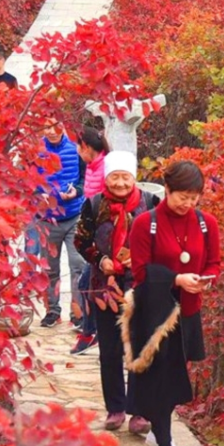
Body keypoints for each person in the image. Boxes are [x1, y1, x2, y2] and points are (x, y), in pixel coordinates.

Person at [123, 160, 222, 446]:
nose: (188, 204)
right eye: (182, 196)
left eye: (195, 198)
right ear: (166, 189)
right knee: (162, 380)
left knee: (177, 373)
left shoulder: (207, 223)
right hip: (155, 315)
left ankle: (157, 432)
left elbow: (214, 262)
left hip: (189, 311)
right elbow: (139, 273)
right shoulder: (145, 224)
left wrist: (205, 279)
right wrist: (176, 279)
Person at [76, 150, 159, 429]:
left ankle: (139, 411)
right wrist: (101, 260)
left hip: (140, 286)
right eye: (115, 177)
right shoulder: (94, 204)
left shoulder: (150, 203)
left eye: (125, 177)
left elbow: (165, 242)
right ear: (106, 178)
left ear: (133, 177)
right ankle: (115, 408)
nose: (120, 183)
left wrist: (142, 258)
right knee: (110, 349)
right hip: (105, 288)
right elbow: (81, 241)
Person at [25, 119, 86, 329]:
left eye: (55, 126)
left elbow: (84, 179)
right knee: (50, 268)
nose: (51, 131)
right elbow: (27, 180)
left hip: (74, 215)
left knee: (78, 265)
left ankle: (78, 312)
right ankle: (53, 309)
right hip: (47, 218)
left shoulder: (76, 149)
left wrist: (76, 191)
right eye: (46, 127)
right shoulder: (35, 151)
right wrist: (38, 195)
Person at [68, 126, 110, 354]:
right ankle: (93, 331)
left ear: (85, 147)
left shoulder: (105, 167)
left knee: (87, 284)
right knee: (88, 284)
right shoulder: (92, 167)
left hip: (104, 239)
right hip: (91, 236)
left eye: (78, 145)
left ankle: (91, 332)